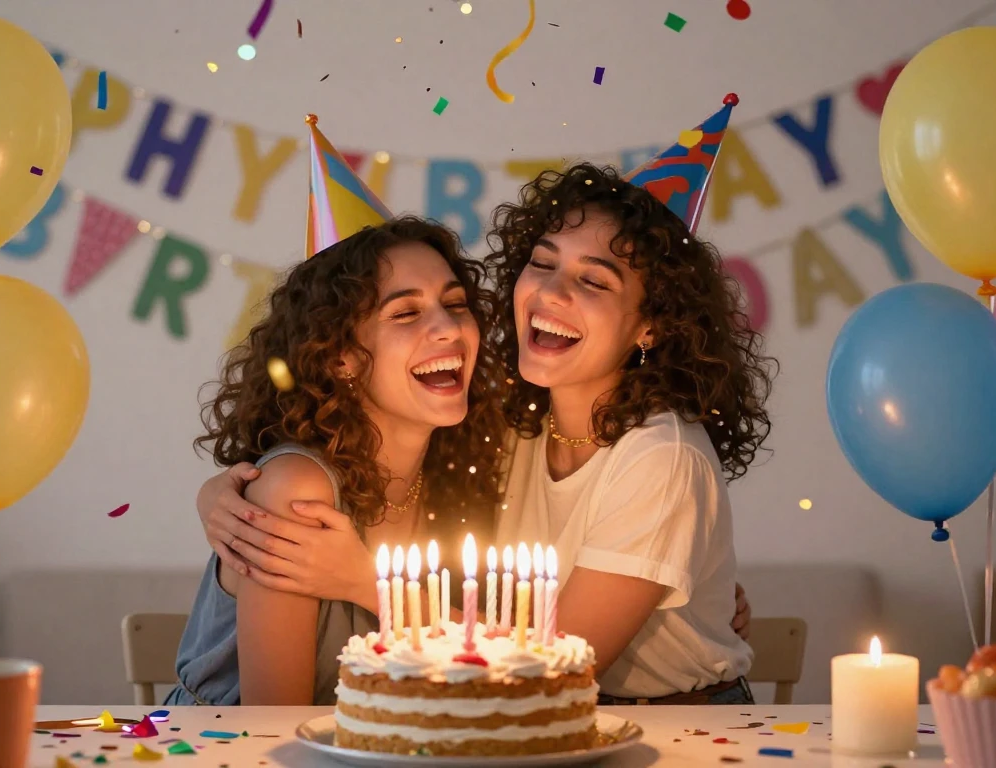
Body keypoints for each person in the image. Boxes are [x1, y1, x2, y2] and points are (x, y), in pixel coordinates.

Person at [198, 100, 774, 705]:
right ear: (336, 351)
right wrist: (220, 496)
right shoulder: (504, 428)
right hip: (519, 717)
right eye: (542, 264)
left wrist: (364, 581)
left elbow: (552, 670)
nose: (552, 291)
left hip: (661, 727)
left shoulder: (662, 456)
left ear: (652, 326)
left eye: (594, 280)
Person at [164, 117, 509, 706]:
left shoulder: (463, 471)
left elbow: (516, 669)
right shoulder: (298, 490)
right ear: (342, 357)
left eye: (455, 304)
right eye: (406, 314)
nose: (448, 327)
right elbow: (272, 729)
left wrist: (365, 582)